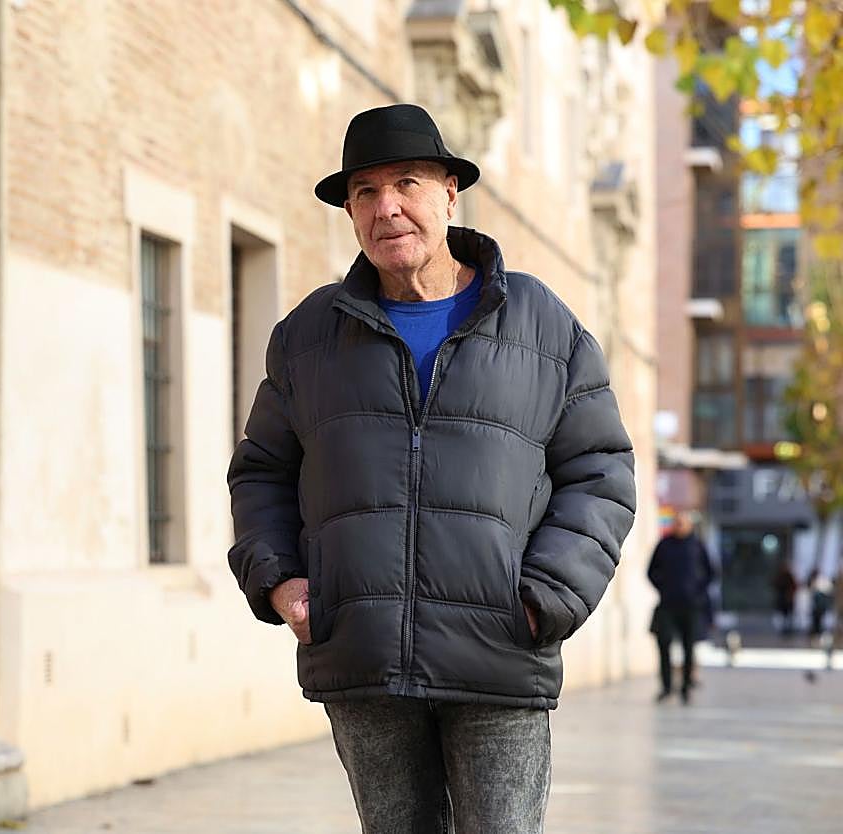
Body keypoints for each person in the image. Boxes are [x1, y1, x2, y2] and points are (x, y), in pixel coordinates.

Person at [227, 103, 636, 834]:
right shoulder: (307, 337)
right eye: (364, 193)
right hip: (363, 656)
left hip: (499, 659)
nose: (387, 208)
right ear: (351, 213)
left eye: (406, 184)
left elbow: (601, 471)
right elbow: (260, 470)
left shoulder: (543, 326)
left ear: (450, 192)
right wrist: (282, 581)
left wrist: (545, 599)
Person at [646, 511, 714, 703]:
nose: (679, 526)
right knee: (664, 644)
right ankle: (667, 687)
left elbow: (710, 573)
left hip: (691, 605)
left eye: (683, 523)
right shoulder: (664, 544)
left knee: (688, 647)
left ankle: (686, 687)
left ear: (690, 526)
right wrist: (663, 588)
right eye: (677, 523)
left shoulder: (697, 546)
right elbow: (651, 571)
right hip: (667, 604)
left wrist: (697, 591)